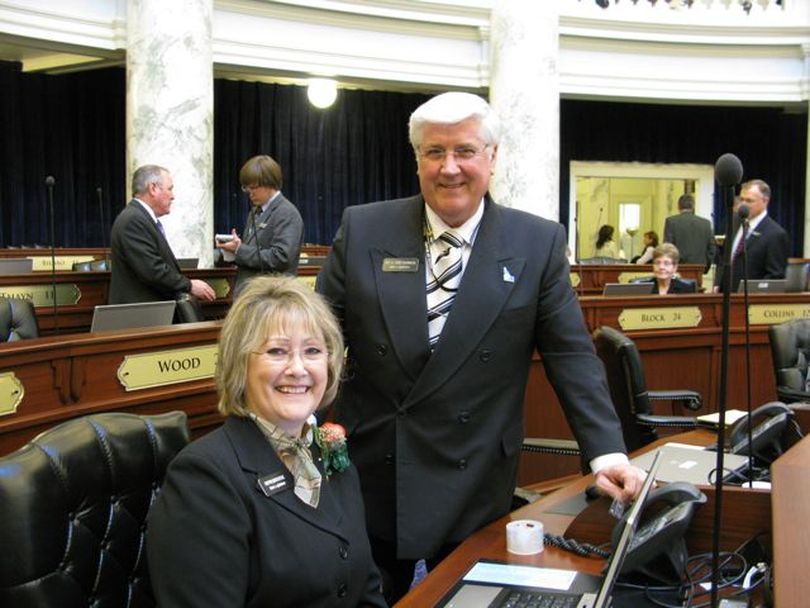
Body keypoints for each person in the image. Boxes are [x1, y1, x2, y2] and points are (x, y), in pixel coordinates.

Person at [315, 92, 646, 603]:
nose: (450, 168)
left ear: (492, 157)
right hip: (374, 471)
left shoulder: (537, 242)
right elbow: (321, 337)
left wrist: (605, 453)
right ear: (417, 158)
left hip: (475, 480)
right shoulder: (363, 228)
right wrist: (297, 426)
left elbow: (571, 356)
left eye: (465, 151)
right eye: (434, 152)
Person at [146, 276, 386, 608]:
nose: (298, 368)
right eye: (277, 351)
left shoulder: (328, 449)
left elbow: (366, 589)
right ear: (240, 365)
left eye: (313, 351)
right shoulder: (204, 479)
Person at [109, 164, 215, 304]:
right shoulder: (133, 220)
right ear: (153, 188)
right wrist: (190, 285)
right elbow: (152, 270)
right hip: (141, 314)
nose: (173, 196)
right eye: (170, 189)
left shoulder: (140, 217)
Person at [216, 155, 304, 295]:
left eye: (253, 187)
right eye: (246, 188)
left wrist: (240, 250)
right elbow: (253, 254)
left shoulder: (287, 213)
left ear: (270, 183)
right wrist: (232, 252)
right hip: (250, 296)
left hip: (271, 299)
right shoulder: (255, 212)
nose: (249, 192)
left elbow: (281, 258)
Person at [716, 179, 790, 293]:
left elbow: (775, 276)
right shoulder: (733, 222)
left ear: (765, 201)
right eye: (741, 200)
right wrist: (718, 283)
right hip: (725, 296)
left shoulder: (775, 234)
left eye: (749, 201)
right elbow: (724, 257)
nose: (743, 205)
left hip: (751, 301)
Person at [663, 194, 716, 273]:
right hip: (699, 269)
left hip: (678, 269)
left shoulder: (671, 222)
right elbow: (712, 249)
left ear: (678, 206)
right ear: (693, 206)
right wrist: (704, 267)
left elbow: (667, 248)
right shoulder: (706, 223)